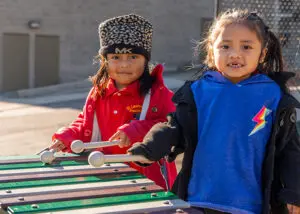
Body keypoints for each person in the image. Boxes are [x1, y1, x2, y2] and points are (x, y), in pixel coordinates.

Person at [128, 9, 300, 214]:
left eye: (246, 46)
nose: (235, 54)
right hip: (198, 200)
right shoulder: (198, 91)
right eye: (225, 46)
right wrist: (150, 147)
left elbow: (289, 151)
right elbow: (175, 127)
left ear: (262, 53)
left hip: (250, 206)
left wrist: (294, 192)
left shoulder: (274, 96)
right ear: (211, 50)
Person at [49, 14, 177, 190]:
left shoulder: (159, 94)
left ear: (145, 60)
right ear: (105, 61)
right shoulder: (98, 92)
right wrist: (67, 136)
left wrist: (135, 130)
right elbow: (84, 122)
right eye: (116, 57)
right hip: (104, 177)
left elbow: (173, 128)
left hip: (148, 182)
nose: (124, 65)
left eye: (133, 57)